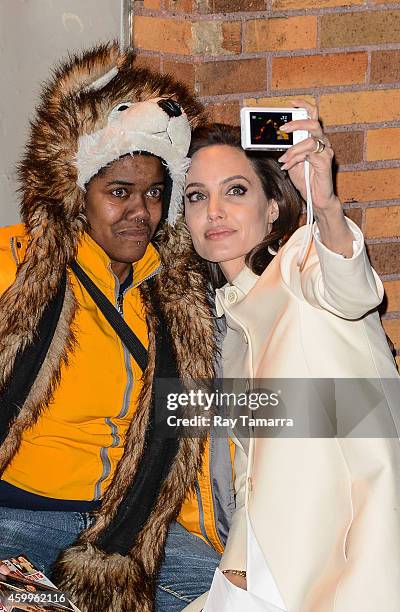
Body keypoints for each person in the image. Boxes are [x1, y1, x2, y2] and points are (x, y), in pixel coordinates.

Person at [0, 43, 231, 612]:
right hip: (14, 518)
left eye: (155, 193)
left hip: (123, 531)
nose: (140, 213)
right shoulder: (15, 263)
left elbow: (199, 431)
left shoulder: (179, 301)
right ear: (79, 193)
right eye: (119, 193)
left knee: (241, 597)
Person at [180, 104, 400, 611]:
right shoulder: (217, 327)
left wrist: (324, 205)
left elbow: (350, 288)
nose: (214, 211)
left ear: (274, 207)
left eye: (235, 191)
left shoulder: (301, 267)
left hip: (349, 562)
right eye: (198, 197)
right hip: (262, 569)